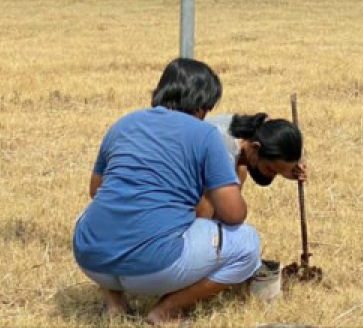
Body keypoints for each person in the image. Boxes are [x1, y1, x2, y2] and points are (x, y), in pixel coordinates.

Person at [73, 58, 261, 324]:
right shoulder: (206, 135)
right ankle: (167, 310)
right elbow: (233, 214)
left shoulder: (123, 124)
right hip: (155, 268)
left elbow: (96, 191)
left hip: (92, 259)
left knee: (91, 214)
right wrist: (239, 176)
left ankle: (115, 304)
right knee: (248, 244)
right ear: (203, 105)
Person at [196, 113, 305, 221]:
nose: (272, 176)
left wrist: (285, 170)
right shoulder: (224, 151)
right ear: (255, 147)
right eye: (270, 170)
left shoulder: (256, 130)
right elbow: (205, 207)